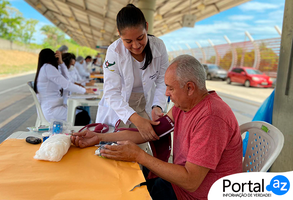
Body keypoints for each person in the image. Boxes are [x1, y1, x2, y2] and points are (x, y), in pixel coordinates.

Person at [71, 54, 243, 200]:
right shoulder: (182, 108)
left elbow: (191, 181)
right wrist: (99, 137)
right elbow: (148, 133)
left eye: (170, 88)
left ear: (190, 87)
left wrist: (139, 155)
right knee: (118, 182)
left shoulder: (211, 118)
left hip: (194, 195)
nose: (166, 94)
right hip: (178, 185)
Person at [96, 4, 169, 143]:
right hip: (119, 108)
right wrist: (136, 119)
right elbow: (112, 92)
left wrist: (157, 106)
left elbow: (162, 82)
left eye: (140, 37)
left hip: (145, 104)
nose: (136, 46)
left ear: (146, 27)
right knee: (115, 148)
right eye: (128, 41)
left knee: (142, 150)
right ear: (119, 33)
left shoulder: (158, 46)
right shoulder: (114, 52)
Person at [34, 49, 94, 122]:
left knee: (82, 113)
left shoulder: (46, 68)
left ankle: (77, 132)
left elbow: (68, 80)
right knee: (83, 116)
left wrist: (61, 63)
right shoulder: (48, 68)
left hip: (54, 107)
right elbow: (67, 84)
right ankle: (75, 133)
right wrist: (84, 90)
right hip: (52, 110)